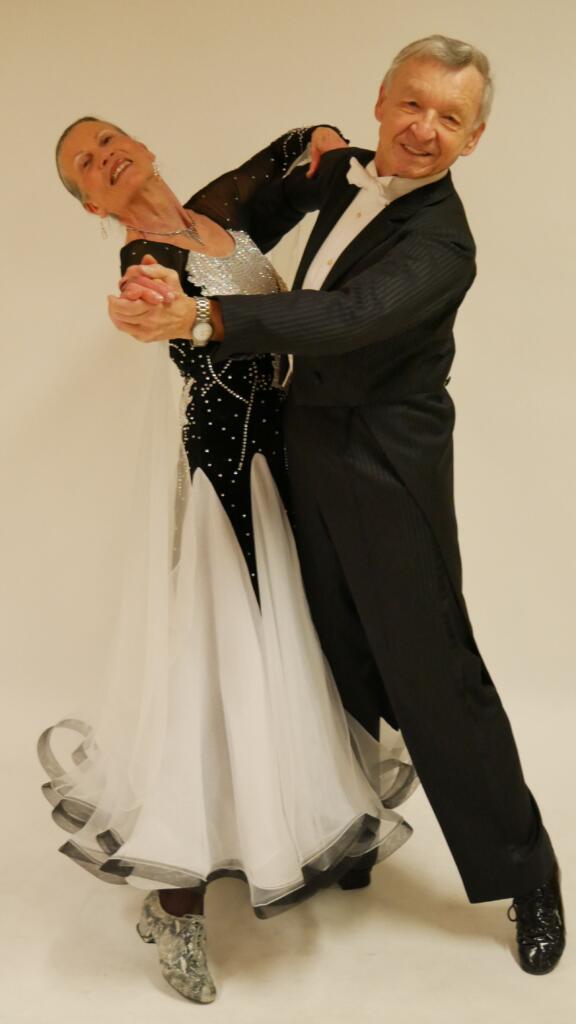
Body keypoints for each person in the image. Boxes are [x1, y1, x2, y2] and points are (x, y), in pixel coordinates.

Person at [111, 35, 566, 976]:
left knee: (432, 675)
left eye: (450, 118)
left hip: (386, 467)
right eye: (413, 104)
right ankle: (351, 829)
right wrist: (163, 248)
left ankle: (527, 874)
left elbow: (348, 317)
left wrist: (205, 317)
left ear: (474, 139)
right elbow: (236, 218)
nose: (425, 129)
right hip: (299, 452)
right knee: (337, 660)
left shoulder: (443, 242)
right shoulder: (345, 171)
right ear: (380, 101)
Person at [40, 118, 418, 1004]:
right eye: (87, 164)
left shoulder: (215, 214)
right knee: (215, 658)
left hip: (280, 455)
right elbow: (172, 320)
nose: (106, 156)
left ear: (142, 144)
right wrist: (153, 309)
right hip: (224, 465)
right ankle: (175, 904)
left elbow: (287, 153)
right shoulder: (146, 259)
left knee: (294, 640)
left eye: (108, 139)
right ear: (93, 204)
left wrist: (323, 135)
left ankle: (295, 823)